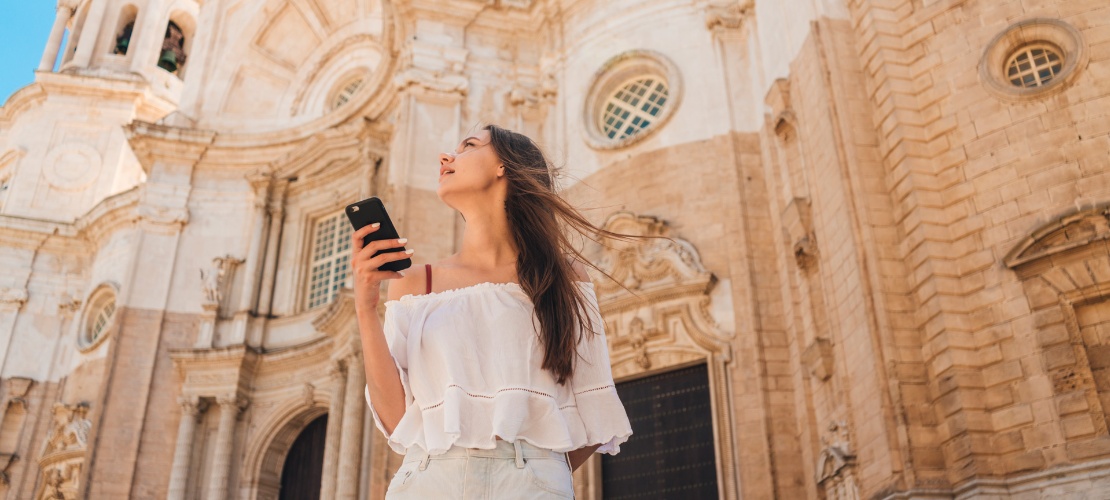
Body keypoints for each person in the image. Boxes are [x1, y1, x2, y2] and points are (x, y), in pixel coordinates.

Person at [352, 125, 634, 498]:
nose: (445, 157)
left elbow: (591, 404)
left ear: (504, 166)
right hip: (427, 479)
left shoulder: (561, 278)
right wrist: (366, 308)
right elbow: (395, 419)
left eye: (468, 146)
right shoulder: (416, 281)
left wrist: (538, 472)